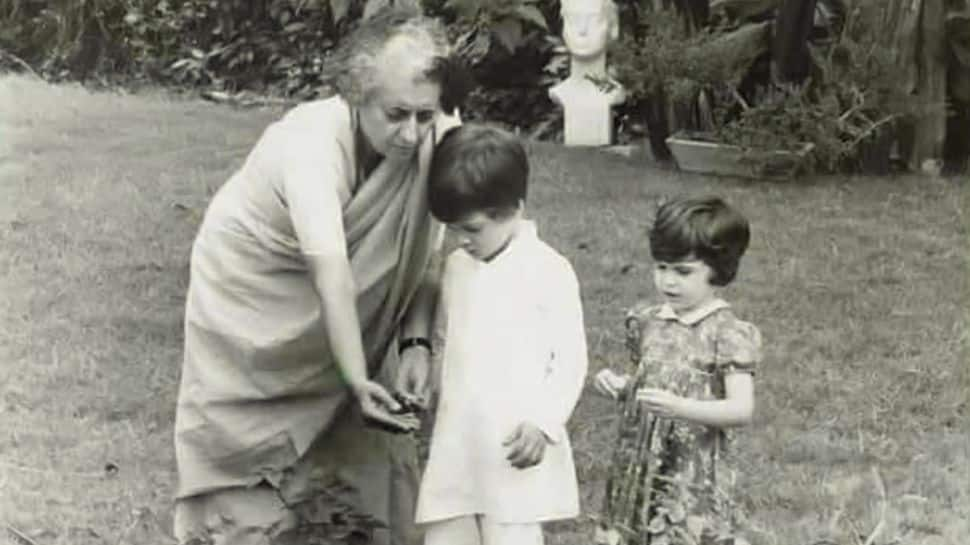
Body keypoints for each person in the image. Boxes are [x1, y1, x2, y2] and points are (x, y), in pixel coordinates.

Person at [172, 6, 469, 545]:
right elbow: (334, 277)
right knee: (248, 494)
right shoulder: (310, 145)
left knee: (365, 484)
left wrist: (418, 345)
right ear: (357, 94)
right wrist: (358, 379)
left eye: (425, 115)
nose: (412, 133)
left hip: (347, 321)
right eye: (397, 113)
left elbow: (425, 258)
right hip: (255, 296)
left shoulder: (438, 140)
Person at [414, 124, 589, 545]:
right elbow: (450, 341)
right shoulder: (457, 267)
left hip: (514, 441)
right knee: (446, 527)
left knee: (510, 531)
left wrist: (545, 423)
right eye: (454, 228)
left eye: (472, 229)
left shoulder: (548, 270)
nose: (462, 240)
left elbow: (570, 359)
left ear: (515, 209)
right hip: (459, 435)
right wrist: (431, 389)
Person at [593, 196, 762, 545]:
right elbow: (648, 380)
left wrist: (680, 408)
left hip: (690, 469)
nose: (668, 281)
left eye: (683, 271)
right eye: (661, 267)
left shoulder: (726, 332)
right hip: (640, 461)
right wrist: (622, 386)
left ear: (718, 269)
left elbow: (741, 409)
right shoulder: (647, 322)